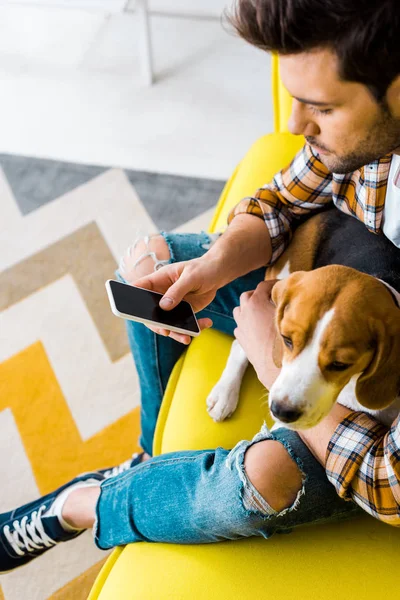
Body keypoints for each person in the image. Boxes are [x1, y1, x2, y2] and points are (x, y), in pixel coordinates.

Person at [1, 0, 400, 572]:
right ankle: (147, 455)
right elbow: (282, 199)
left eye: (322, 107)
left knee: (268, 475)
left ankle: (85, 505)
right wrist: (216, 265)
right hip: (319, 289)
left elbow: (391, 483)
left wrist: (268, 359)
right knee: (148, 269)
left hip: (369, 384)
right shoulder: (362, 139)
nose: (293, 126)